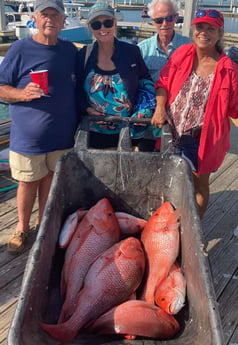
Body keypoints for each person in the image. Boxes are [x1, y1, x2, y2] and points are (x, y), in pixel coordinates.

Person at [0, 0, 79, 253]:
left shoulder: (70, 51)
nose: (50, 20)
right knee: (28, 182)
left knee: (51, 179)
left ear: (63, 21)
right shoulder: (20, 49)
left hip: (62, 135)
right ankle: (21, 227)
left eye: (55, 15)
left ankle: (43, 223)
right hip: (29, 137)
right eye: (45, 15)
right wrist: (22, 94)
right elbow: (2, 87)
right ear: (35, 18)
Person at [151, 9, 238, 218]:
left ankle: (194, 227)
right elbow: (162, 83)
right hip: (171, 132)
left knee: (200, 185)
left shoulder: (229, 69)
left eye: (211, 28)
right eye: (200, 27)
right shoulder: (182, 54)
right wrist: (160, 107)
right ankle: (168, 225)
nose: (204, 32)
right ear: (193, 30)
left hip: (202, 139)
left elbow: (235, 108)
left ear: (219, 33)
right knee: (165, 179)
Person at [77, 2, 156, 151]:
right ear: (90, 28)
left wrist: (144, 108)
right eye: (96, 25)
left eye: (108, 23)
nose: (103, 28)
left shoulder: (132, 52)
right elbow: (75, 90)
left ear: (115, 23)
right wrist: (86, 108)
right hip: (93, 129)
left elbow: (145, 80)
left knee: (125, 172)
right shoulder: (84, 55)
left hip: (128, 130)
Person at [138, 0, 190, 84]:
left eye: (169, 18)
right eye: (159, 20)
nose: (165, 24)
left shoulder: (189, 46)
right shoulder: (141, 50)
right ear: (152, 21)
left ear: (176, 18)